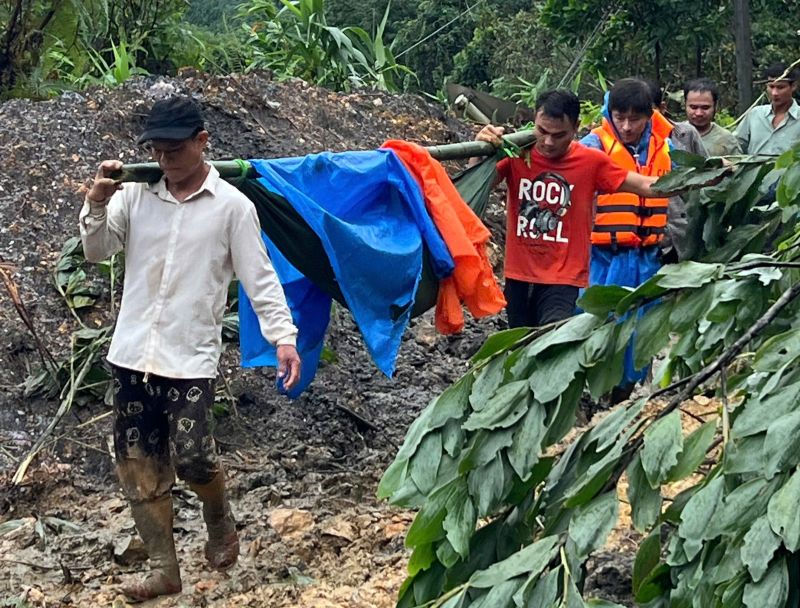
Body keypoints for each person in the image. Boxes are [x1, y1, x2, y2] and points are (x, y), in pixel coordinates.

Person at [80, 96, 301, 601]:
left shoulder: (232, 208)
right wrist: (95, 201)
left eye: (175, 149)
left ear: (203, 142)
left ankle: (218, 517)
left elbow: (259, 277)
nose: (165, 160)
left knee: (194, 458)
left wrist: (282, 338)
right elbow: (97, 251)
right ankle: (164, 568)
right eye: (157, 151)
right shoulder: (135, 197)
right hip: (133, 353)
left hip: (189, 357)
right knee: (138, 465)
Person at [475, 89, 670, 329]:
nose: (548, 142)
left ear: (576, 127)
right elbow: (480, 185)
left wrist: (704, 175)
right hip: (519, 274)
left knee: (550, 341)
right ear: (534, 120)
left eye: (558, 135)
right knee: (519, 345)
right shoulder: (516, 153)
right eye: (542, 131)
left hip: (563, 277)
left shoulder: (591, 161)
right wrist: (481, 148)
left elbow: (644, 185)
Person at [580, 78, 672, 401]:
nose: (627, 125)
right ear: (610, 113)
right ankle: (592, 396)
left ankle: (622, 396)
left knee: (640, 336)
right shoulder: (592, 145)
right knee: (598, 328)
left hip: (648, 259)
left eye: (635, 118)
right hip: (605, 257)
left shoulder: (666, 147)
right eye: (620, 117)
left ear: (650, 115)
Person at [736, 62, 800, 155]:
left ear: (793, 86)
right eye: (771, 86)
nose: (774, 93)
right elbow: (736, 145)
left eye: (780, 87)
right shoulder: (755, 115)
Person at [681, 77, 741, 156]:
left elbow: (739, 166)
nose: (699, 113)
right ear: (685, 105)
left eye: (705, 108)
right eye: (693, 107)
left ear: (715, 107)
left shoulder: (726, 139)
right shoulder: (674, 134)